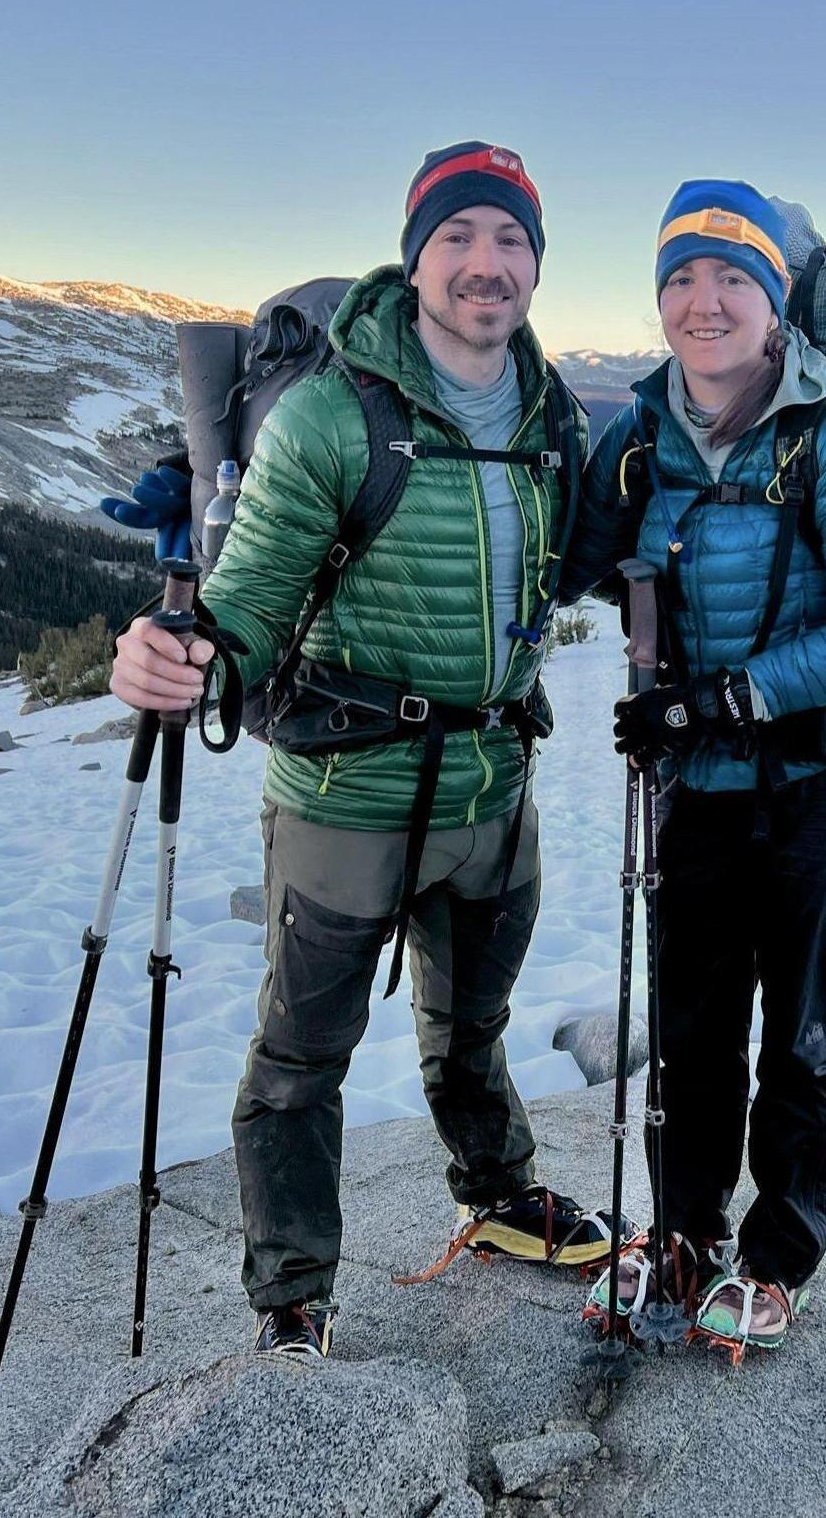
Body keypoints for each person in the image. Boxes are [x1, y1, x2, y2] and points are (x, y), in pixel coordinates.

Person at [111, 142, 622, 1360]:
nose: (484, 264)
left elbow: (601, 559)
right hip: (345, 801)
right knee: (300, 1058)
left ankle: (495, 1195)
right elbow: (253, 596)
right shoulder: (337, 416)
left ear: (537, 265)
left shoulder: (555, 414)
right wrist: (183, 660)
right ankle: (293, 1294)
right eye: (458, 238)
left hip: (497, 790)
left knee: (473, 1032)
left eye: (510, 240)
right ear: (416, 255)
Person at [561, 180, 826, 1358]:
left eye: (731, 278)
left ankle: (777, 1259)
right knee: (691, 1028)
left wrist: (721, 695)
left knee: (804, 1034)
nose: (702, 301)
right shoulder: (638, 433)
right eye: (679, 277)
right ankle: (680, 1232)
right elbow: (573, 558)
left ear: (774, 304)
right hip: (699, 790)